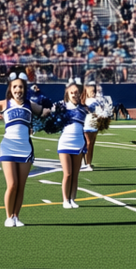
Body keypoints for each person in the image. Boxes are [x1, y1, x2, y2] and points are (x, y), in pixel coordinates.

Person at [0, 72, 50, 227]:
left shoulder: (30, 105)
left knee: (21, 186)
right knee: (12, 185)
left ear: (25, 89)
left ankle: (16, 216)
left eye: (21, 87)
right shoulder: (5, 103)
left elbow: (44, 111)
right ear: (10, 89)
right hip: (8, 147)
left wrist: (54, 111)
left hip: (25, 148)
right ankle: (8, 217)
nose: (18, 90)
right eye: (15, 87)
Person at [57, 79, 89, 209]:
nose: (74, 95)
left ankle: (72, 199)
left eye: (76, 93)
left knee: (75, 174)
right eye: (72, 93)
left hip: (79, 143)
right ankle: (65, 199)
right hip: (65, 143)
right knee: (68, 173)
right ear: (67, 94)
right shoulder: (61, 107)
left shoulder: (84, 109)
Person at [81, 79, 102, 170]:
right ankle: (86, 163)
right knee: (88, 144)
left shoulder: (96, 100)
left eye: (94, 91)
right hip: (87, 124)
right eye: (92, 91)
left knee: (91, 144)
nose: (93, 93)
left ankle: (88, 162)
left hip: (94, 124)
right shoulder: (84, 101)